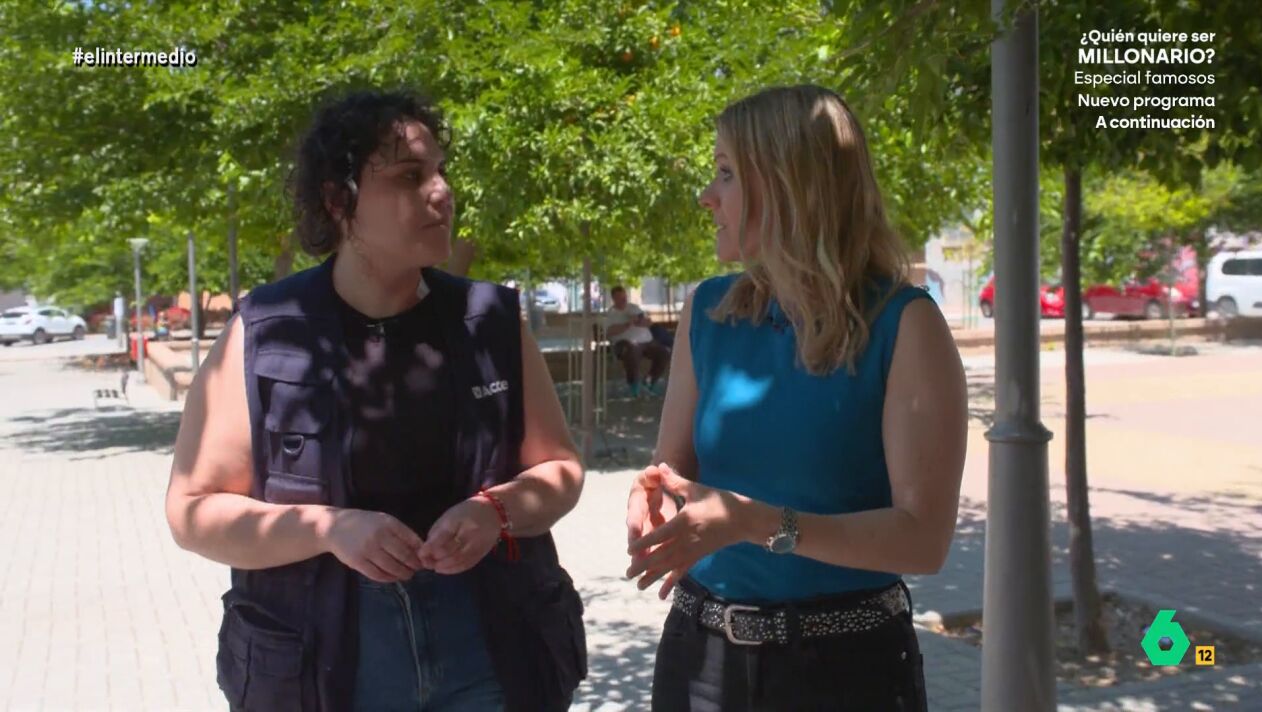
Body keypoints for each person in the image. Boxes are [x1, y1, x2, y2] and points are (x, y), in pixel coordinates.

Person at [165, 89, 587, 712]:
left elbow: (561, 470)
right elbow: (193, 512)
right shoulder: (263, 332)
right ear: (339, 200)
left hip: (490, 649)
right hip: (328, 662)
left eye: (441, 171)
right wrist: (328, 529)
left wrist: (493, 512)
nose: (441, 192)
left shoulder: (489, 320)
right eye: (410, 176)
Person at [625, 85, 967, 711]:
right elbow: (672, 473)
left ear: (789, 186)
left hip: (845, 670)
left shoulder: (904, 323)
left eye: (727, 173)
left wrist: (752, 522)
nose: (707, 195)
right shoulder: (709, 309)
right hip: (700, 658)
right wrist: (653, 501)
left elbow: (924, 541)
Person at [606, 285, 670, 397]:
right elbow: (610, 331)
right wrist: (627, 324)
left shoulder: (634, 308)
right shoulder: (611, 313)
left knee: (664, 353)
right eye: (620, 298)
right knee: (631, 350)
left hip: (646, 341)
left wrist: (639, 321)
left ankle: (649, 382)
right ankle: (634, 385)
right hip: (624, 343)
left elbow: (649, 323)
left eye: (624, 297)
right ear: (614, 299)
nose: (623, 300)